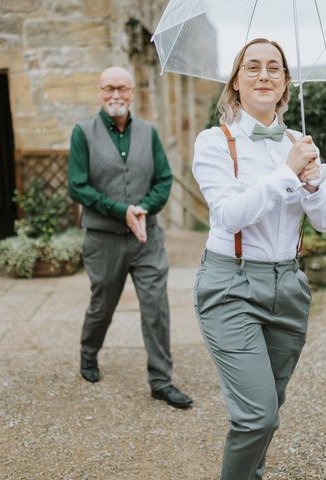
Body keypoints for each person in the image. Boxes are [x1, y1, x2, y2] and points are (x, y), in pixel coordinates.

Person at [192, 38, 326, 479]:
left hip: (289, 286)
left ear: (285, 83)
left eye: (273, 69)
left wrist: (314, 184)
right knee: (257, 415)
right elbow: (228, 215)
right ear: (236, 82)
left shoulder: (300, 143)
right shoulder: (214, 142)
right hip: (231, 285)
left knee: (268, 407)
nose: (263, 75)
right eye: (252, 68)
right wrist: (286, 172)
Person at [67, 66, 192, 409]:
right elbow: (77, 186)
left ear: (133, 93)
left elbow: (163, 180)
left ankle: (161, 380)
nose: (116, 95)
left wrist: (142, 209)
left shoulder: (149, 132)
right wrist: (119, 210)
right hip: (103, 239)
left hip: (146, 238)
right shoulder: (83, 132)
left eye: (122, 88)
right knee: (102, 305)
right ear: (99, 92)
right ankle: (89, 353)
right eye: (108, 88)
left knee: (156, 308)